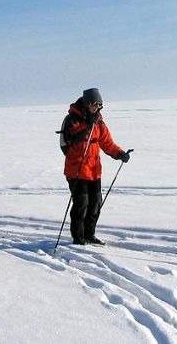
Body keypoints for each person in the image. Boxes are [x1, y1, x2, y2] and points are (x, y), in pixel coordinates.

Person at [60, 88, 130, 245]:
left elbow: (107, 143)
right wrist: (85, 128)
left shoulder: (99, 122)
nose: (97, 108)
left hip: (94, 171)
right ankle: (78, 237)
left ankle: (89, 234)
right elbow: (66, 143)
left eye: (99, 105)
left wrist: (120, 154)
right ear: (86, 104)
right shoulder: (72, 119)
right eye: (94, 105)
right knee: (81, 204)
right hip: (76, 170)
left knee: (95, 203)